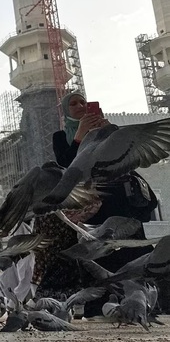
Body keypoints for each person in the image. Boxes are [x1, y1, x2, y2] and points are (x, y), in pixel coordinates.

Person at [36, 91, 157, 311]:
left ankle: (143, 306)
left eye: (83, 101)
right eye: (73, 103)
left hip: (124, 203)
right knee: (99, 256)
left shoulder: (107, 129)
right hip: (94, 206)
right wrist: (80, 136)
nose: (80, 105)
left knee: (135, 259)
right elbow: (68, 167)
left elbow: (128, 158)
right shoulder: (60, 137)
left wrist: (110, 131)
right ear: (66, 111)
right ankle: (102, 308)